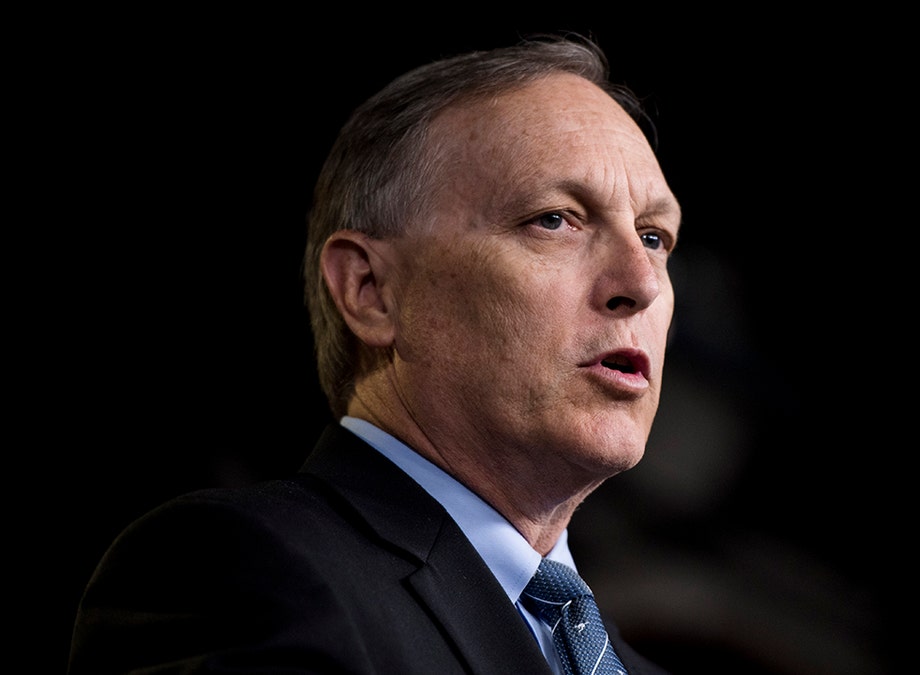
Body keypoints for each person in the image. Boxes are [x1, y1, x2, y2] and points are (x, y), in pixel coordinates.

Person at [68, 33, 680, 675]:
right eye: (554, 219)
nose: (640, 284)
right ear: (370, 291)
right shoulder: (238, 572)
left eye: (653, 235)